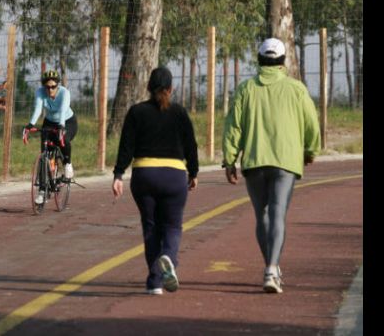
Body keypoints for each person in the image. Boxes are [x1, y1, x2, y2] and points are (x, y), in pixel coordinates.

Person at [222, 38, 321, 294]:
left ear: (259, 60)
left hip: (254, 161)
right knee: (278, 214)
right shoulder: (296, 89)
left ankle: (271, 267)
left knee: (261, 215)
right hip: (285, 161)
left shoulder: (246, 89)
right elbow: (311, 123)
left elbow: (233, 126)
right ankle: (272, 268)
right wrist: (310, 151)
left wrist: (229, 159)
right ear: (283, 61)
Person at [112, 67, 199, 295]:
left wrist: (118, 175)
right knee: (172, 226)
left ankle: (155, 283)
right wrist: (194, 173)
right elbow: (191, 145)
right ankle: (168, 257)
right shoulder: (179, 113)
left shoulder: (136, 112)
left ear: (148, 87)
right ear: (171, 89)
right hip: (174, 176)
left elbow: (126, 146)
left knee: (150, 227)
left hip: (144, 175)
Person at [24, 69, 78, 204]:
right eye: (47, 87)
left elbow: (62, 110)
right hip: (49, 122)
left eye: (53, 87)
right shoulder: (40, 92)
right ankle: (42, 191)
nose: (50, 90)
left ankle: (67, 164)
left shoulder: (64, 93)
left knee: (63, 139)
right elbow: (38, 109)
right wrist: (30, 125)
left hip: (67, 121)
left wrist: (61, 126)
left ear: (57, 85)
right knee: (44, 156)